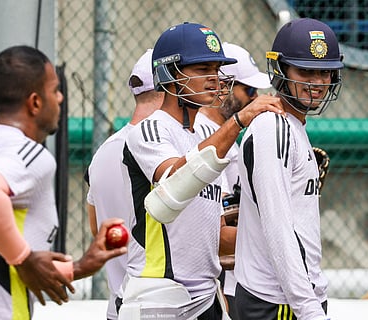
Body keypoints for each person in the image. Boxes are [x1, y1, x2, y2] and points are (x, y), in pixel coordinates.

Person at [0, 45, 126, 320]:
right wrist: (23, 258)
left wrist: (79, 267)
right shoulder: (31, 155)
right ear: (35, 102)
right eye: (55, 90)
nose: (60, 98)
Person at [117, 22, 284, 320]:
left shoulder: (208, 132)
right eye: (202, 68)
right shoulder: (150, 129)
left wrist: (279, 235)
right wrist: (238, 122)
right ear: (169, 72)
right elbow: (174, 185)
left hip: (207, 298)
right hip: (158, 296)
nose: (214, 78)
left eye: (216, 68)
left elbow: (216, 234)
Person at [234, 18, 344, 320]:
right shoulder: (274, 127)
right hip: (278, 303)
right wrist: (308, 308)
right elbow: (278, 227)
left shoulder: (292, 125)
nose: (317, 82)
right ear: (281, 70)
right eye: (305, 70)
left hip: (290, 299)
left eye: (324, 71)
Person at [195, 41, 272, 320]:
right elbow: (214, 236)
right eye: (249, 90)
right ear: (224, 86)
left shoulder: (227, 137)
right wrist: (281, 234)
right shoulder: (207, 135)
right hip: (223, 286)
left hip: (235, 278)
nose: (255, 98)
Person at [85, 48, 164, 320]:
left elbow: (97, 228)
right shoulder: (162, 152)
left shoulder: (103, 152)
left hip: (118, 305)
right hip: (161, 306)